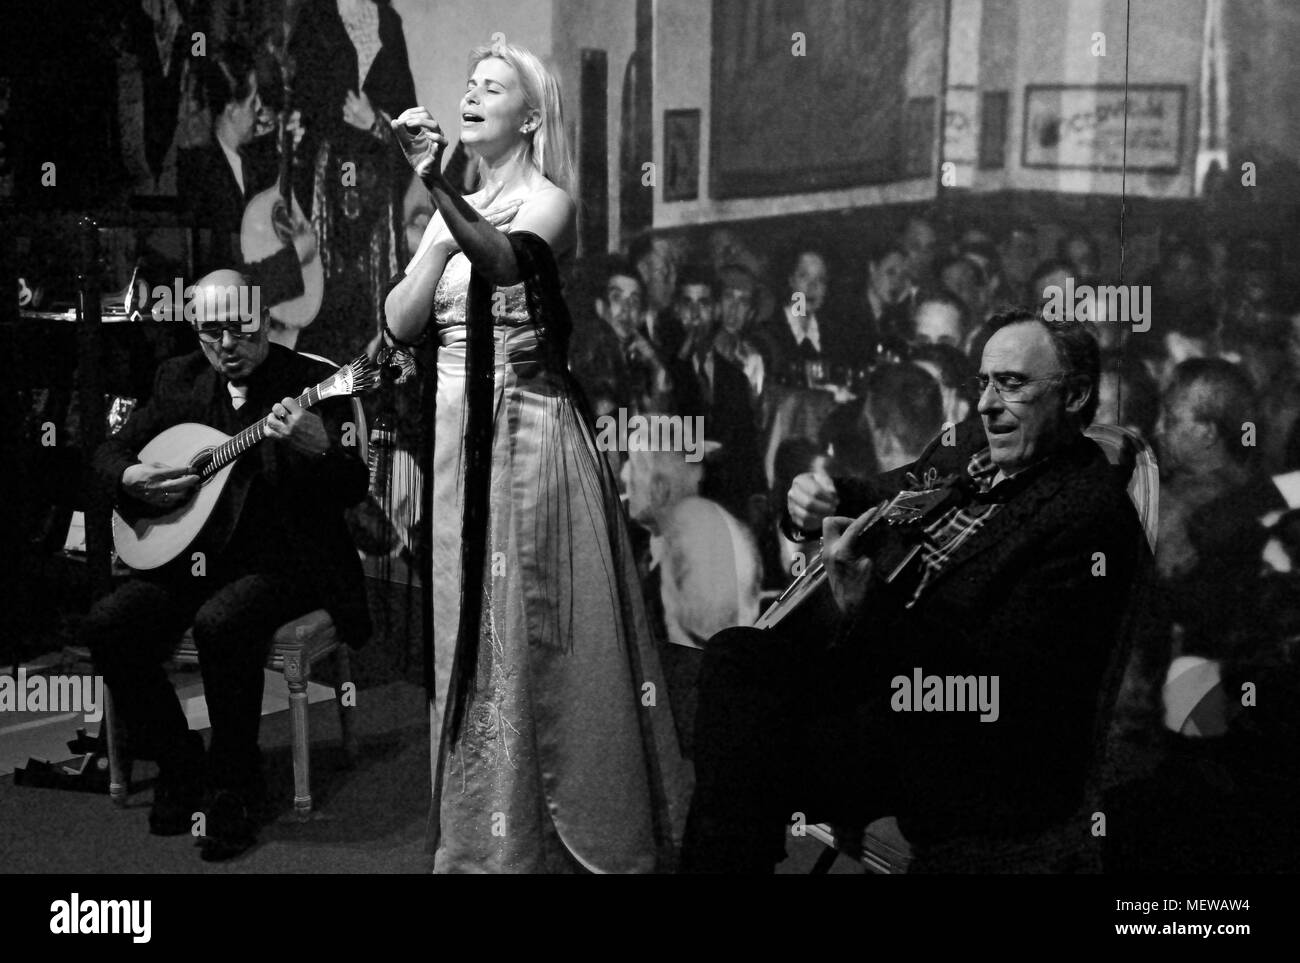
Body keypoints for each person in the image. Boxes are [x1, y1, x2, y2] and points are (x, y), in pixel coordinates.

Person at [682, 309, 1148, 873]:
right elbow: (887, 490)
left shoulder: (1090, 519)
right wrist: (817, 499)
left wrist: (869, 607)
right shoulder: (976, 445)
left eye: (1013, 384)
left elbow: (994, 691)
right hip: (878, 684)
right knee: (736, 663)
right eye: (983, 383)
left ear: (1074, 396)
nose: (987, 404)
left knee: (740, 729)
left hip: (952, 745)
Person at [380, 40, 687, 874]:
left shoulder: (549, 200)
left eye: (493, 87)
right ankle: (476, 825)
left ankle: (547, 826)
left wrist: (438, 192)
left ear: (530, 116)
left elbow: (511, 263)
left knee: (527, 620)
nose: (472, 94)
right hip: (455, 435)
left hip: (528, 432)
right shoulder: (454, 210)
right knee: (462, 617)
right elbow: (400, 323)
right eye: (468, 83)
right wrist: (439, 229)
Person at [82, 270, 371, 862]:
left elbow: (351, 486)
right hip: (187, 557)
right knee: (111, 624)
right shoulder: (177, 378)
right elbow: (110, 454)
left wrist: (318, 449)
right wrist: (132, 475)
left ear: (265, 320)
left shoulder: (316, 382)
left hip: (285, 560)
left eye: (239, 331)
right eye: (210, 334)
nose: (227, 347)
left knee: (223, 622)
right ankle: (180, 759)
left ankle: (234, 786)